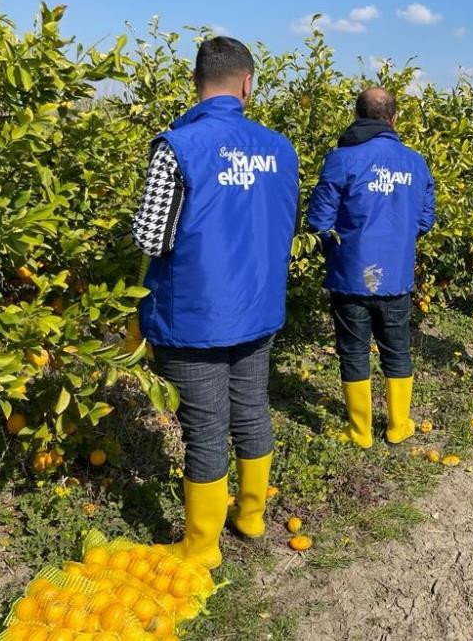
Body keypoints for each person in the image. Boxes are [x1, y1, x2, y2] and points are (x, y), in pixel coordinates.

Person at [132, 36, 300, 569]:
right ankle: (250, 517)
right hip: (258, 306)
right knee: (251, 409)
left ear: (197, 81)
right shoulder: (280, 148)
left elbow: (151, 239)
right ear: (247, 83)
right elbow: (284, 224)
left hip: (195, 314)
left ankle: (201, 547)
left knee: (205, 427)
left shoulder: (178, 147)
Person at [307, 87, 435, 449]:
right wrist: (398, 240)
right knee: (397, 348)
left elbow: (319, 221)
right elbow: (425, 220)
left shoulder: (341, 159)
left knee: (353, 349)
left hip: (350, 274)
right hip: (395, 272)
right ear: (394, 118)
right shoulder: (415, 162)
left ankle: (359, 432)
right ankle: (398, 425)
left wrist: (340, 250)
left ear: (357, 115)